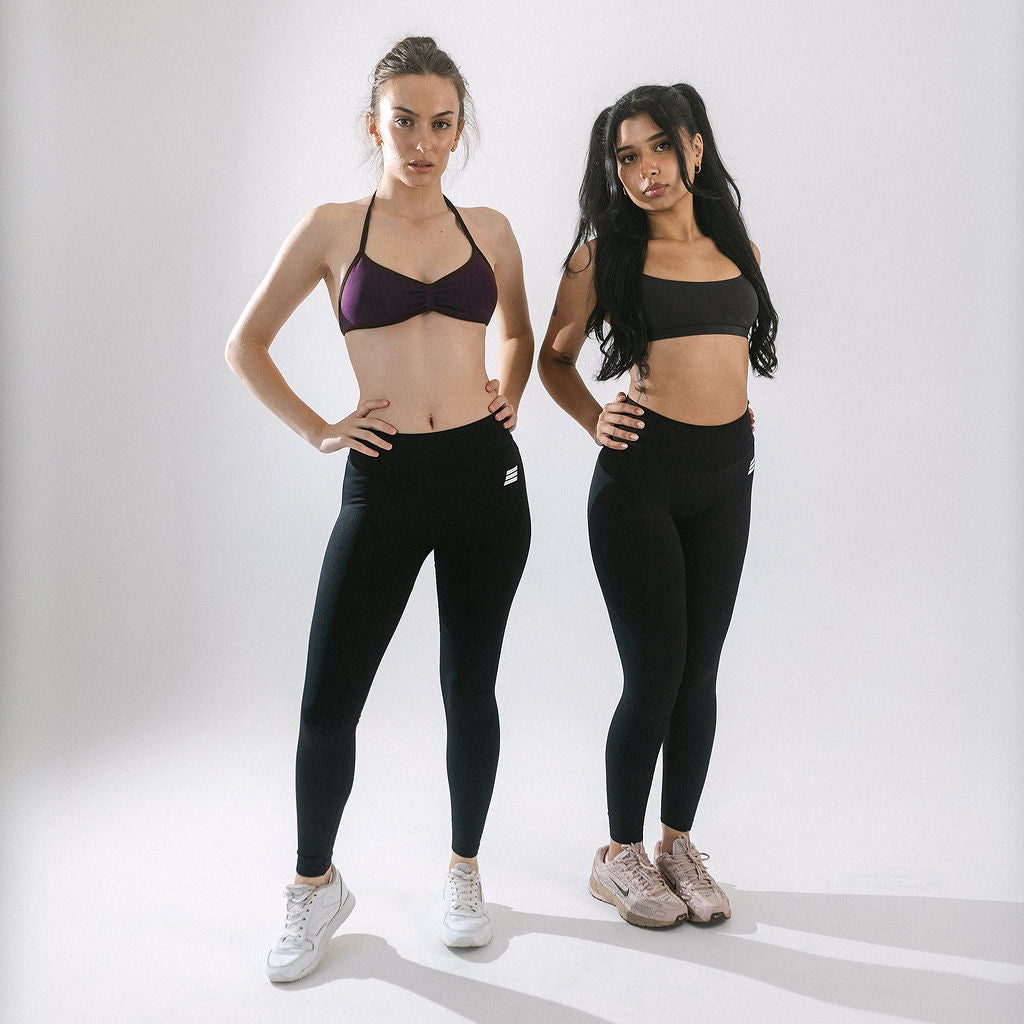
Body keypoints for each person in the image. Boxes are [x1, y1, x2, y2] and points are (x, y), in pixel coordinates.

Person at [226, 36, 533, 981]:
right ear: (375, 125)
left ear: (459, 130)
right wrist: (323, 428)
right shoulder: (332, 227)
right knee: (329, 702)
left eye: (442, 123)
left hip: (486, 481)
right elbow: (247, 344)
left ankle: (464, 870)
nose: (424, 141)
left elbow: (517, 327)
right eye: (405, 121)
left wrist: (509, 390)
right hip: (386, 479)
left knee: (468, 686)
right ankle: (315, 884)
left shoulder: (491, 228)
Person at [538, 83, 777, 928]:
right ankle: (619, 856)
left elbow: (732, 349)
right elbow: (554, 360)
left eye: (659, 149)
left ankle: (678, 844)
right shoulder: (602, 257)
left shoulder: (737, 245)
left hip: (726, 478)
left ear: (695, 149)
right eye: (627, 157)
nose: (645, 170)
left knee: (701, 670)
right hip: (640, 482)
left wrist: (731, 408)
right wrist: (592, 418)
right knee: (655, 673)